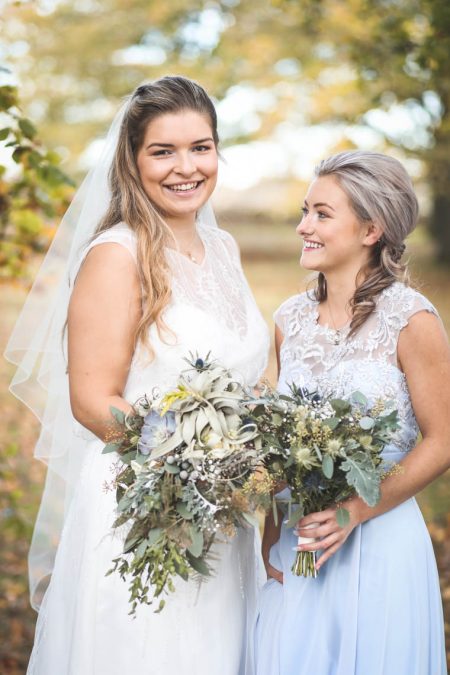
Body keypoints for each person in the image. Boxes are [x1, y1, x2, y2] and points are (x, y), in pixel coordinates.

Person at [6, 76, 269, 674]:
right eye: (163, 150)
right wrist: (195, 462)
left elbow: (245, 379)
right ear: (131, 158)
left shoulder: (222, 248)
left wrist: (259, 450)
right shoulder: (115, 255)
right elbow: (92, 401)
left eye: (201, 147)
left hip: (225, 517)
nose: (186, 167)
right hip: (144, 508)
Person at [255, 151, 449, 675]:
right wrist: (269, 536)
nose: (303, 227)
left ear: (371, 229)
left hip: (379, 542)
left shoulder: (412, 321)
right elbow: (282, 445)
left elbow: (442, 441)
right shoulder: (288, 322)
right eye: (304, 211)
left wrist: (353, 512)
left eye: (321, 214)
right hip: (299, 546)